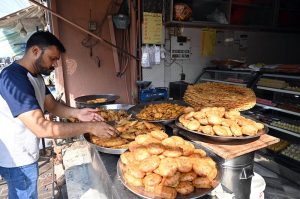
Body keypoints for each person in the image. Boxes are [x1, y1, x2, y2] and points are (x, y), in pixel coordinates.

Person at [0, 31, 117, 199]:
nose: (55, 64)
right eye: (52, 58)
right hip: (16, 160)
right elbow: (41, 128)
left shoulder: (36, 77)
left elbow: (52, 105)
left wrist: (78, 113)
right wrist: (90, 127)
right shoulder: (13, 78)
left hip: (26, 153)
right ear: (35, 51)